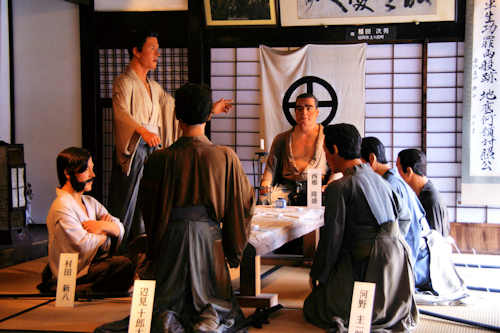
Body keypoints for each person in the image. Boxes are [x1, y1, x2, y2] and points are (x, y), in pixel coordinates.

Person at [98, 83, 255, 332]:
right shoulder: (226, 157)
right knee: (214, 301)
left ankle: (167, 316)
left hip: (170, 240)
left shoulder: (158, 159)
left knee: (165, 300)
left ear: (177, 116)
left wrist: (154, 246)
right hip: (208, 242)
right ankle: (209, 318)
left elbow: (148, 210)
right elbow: (242, 205)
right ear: (209, 115)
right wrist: (232, 248)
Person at [109, 30, 232, 254]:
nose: (158, 53)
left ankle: (141, 250)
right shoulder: (124, 82)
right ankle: (118, 254)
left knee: (150, 202)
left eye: (158, 48)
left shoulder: (154, 88)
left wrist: (209, 110)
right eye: (152, 48)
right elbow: (121, 114)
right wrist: (142, 131)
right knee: (127, 201)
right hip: (135, 149)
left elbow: (181, 110)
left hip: (154, 150)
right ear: (136, 51)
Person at [303, 124, 418, 332]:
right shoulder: (383, 180)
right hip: (399, 270)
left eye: (326, 152)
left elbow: (332, 238)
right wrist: (390, 241)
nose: (326, 158)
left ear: (335, 150)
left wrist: (318, 274)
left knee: (314, 306)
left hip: (369, 263)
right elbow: (405, 217)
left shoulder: (340, 186)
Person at [361, 137, 466, 298]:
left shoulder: (391, 184)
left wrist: (403, 271)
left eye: (359, 164)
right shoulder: (392, 179)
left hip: (420, 260)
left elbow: (410, 233)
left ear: (371, 159)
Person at [38, 147, 134, 294]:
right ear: (67, 173)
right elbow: (83, 244)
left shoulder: (89, 202)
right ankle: (76, 288)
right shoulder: (61, 206)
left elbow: (120, 227)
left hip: (94, 263)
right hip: (77, 270)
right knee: (123, 265)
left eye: (92, 169)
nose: (93, 175)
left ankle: (91, 288)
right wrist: (108, 230)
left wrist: (101, 225)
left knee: (137, 254)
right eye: (86, 170)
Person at [260, 93, 335, 205]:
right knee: (267, 199)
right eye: (299, 109)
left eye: (308, 108)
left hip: (317, 188)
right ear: (295, 112)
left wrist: (330, 184)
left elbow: (337, 166)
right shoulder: (281, 138)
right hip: (287, 187)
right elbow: (271, 167)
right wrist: (266, 183)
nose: (304, 113)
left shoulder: (328, 136)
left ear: (317, 112)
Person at [397, 149, 451, 237]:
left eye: (398, 168)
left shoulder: (431, 199)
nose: (396, 174)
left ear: (409, 172)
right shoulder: (420, 193)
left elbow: (434, 241)